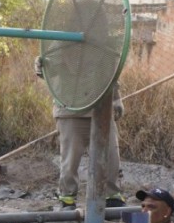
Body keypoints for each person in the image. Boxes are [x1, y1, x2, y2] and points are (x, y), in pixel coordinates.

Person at [34, 57, 126, 210]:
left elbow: (111, 74)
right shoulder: (61, 43)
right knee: (71, 159)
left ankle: (112, 195)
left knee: (111, 156)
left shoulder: (101, 42)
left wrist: (116, 99)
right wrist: (41, 65)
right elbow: (47, 69)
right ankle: (67, 197)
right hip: (70, 109)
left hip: (101, 108)